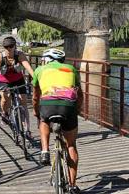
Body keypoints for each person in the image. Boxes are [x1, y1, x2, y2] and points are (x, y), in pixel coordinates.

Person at [32, 48, 83, 194]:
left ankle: (45, 150)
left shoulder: (39, 70)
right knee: (71, 145)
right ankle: (72, 186)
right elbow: (80, 95)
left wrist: (36, 112)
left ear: (47, 59)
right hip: (68, 107)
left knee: (43, 120)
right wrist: (77, 111)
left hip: (48, 106)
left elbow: (35, 97)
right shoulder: (72, 69)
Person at [0, 36, 35, 138]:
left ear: (15, 46)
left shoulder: (20, 55)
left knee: (23, 102)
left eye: (11, 46)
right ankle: (5, 113)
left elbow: (28, 67)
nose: (8, 49)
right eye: (6, 47)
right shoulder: (0, 57)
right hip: (4, 81)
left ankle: (27, 129)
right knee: (6, 98)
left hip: (18, 80)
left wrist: (36, 79)